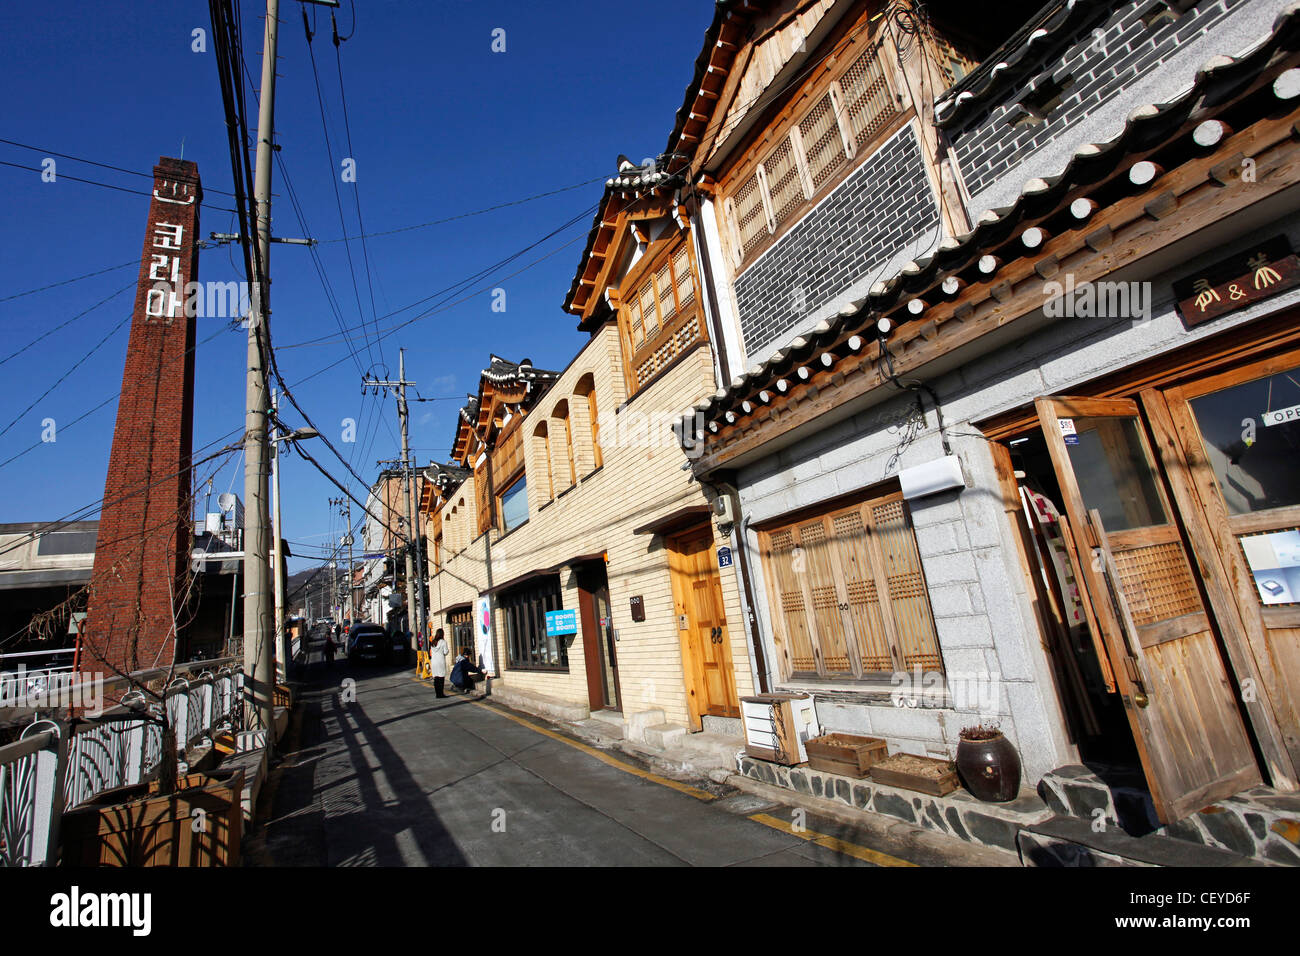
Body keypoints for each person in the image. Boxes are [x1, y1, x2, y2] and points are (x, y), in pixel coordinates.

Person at [429, 629, 451, 698]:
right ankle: (441, 693)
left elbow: (431, 653)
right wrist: (447, 651)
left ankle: (437, 694)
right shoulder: (443, 642)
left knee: (436, 678)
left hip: (434, 662)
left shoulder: (433, 642)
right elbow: (445, 652)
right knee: (441, 678)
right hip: (440, 662)